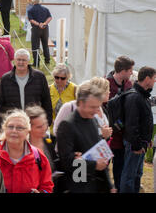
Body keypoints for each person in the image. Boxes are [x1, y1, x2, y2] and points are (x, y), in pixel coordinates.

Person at [57, 81, 116, 193]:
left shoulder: (92, 120)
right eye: (92, 107)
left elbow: (99, 152)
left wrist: (109, 185)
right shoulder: (67, 125)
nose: (95, 111)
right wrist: (94, 165)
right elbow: (66, 162)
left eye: (97, 107)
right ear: (80, 103)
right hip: (78, 185)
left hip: (96, 185)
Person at [0, 110, 54, 193]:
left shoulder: (39, 157)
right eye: (10, 127)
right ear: (5, 129)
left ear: (27, 132)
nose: (14, 131)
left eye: (19, 128)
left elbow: (47, 187)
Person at [0, 48, 52, 132]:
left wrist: (48, 121)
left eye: (24, 60)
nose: (21, 62)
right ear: (14, 60)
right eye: (18, 60)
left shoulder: (39, 77)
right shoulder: (6, 79)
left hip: (33, 122)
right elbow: (0, 103)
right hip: (14, 123)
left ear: (28, 61)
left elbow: (46, 101)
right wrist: (0, 125)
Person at [120, 66, 156, 193]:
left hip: (141, 143)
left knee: (137, 174)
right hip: (134, 144)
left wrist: (147, 139)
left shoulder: (143, 95)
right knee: (129, 175)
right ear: (147, 79)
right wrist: (136, 145)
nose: (155, 81)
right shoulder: (135, 96)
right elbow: (132, 125)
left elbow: (145, 120)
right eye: (154, 78)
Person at [105, 55, 134, 192]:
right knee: (103, 168)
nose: (131, 73)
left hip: (122, 135)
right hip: (106, 134)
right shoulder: (106, 83)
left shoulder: (129, 84)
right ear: (122, 70)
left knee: (119, 168)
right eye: (130, 70)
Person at [26, 106, 57, 172]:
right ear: (29, 129)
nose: (44, 128)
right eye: (39, 127)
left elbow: (55, 162)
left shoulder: (48, 141)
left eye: (45, 124)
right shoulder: (23, 148)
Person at [49, 64, 77, 130]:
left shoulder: (74, 89)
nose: (59, 80)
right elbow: (46, 108)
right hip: (54, 128)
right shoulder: (49, 88)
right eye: (56, 77)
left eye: (62, 78)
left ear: (68, 78)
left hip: (70, 127)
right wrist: (51, 120)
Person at [27, 0, 52, 67]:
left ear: (33, 1)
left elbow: (31, 20)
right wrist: (44, 23)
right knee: (45, 45)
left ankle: (36, 62)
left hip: (36, 29)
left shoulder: (30, 10)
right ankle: (47, 60)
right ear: (40, 1)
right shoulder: (45, 9)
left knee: (35, 46)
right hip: (45, 29)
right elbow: (50, 17)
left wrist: (38, 24)